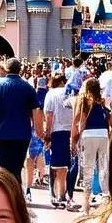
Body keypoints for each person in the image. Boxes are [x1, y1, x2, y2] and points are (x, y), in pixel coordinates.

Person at [0, 59, 39, 186]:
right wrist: (38, 131)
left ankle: (6, 197)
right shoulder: (28, 88)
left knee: (4, 168)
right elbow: (35, 112)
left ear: (6, 69)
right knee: (17, 167)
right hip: (22, 134)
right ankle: (16, 196)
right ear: (20, 69)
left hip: (2, 132)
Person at [71, 78, 112, 215]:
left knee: (88, 170)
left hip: (89, 135)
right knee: (103, 168)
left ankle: (86, 206)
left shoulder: (83, 101)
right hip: (103, 135)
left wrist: (74, 139)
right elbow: (111, 118)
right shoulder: (102, 102)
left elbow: (78, 121)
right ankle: (107, 201)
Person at [42, 72, 77, 210]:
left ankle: (58, 194)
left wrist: (48, 134)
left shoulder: (50, 94)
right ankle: (67, 194)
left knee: (57, 165)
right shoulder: (72, 92)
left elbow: (49, 115)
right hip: (72, 130)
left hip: (57, 130)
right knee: (70, 165)